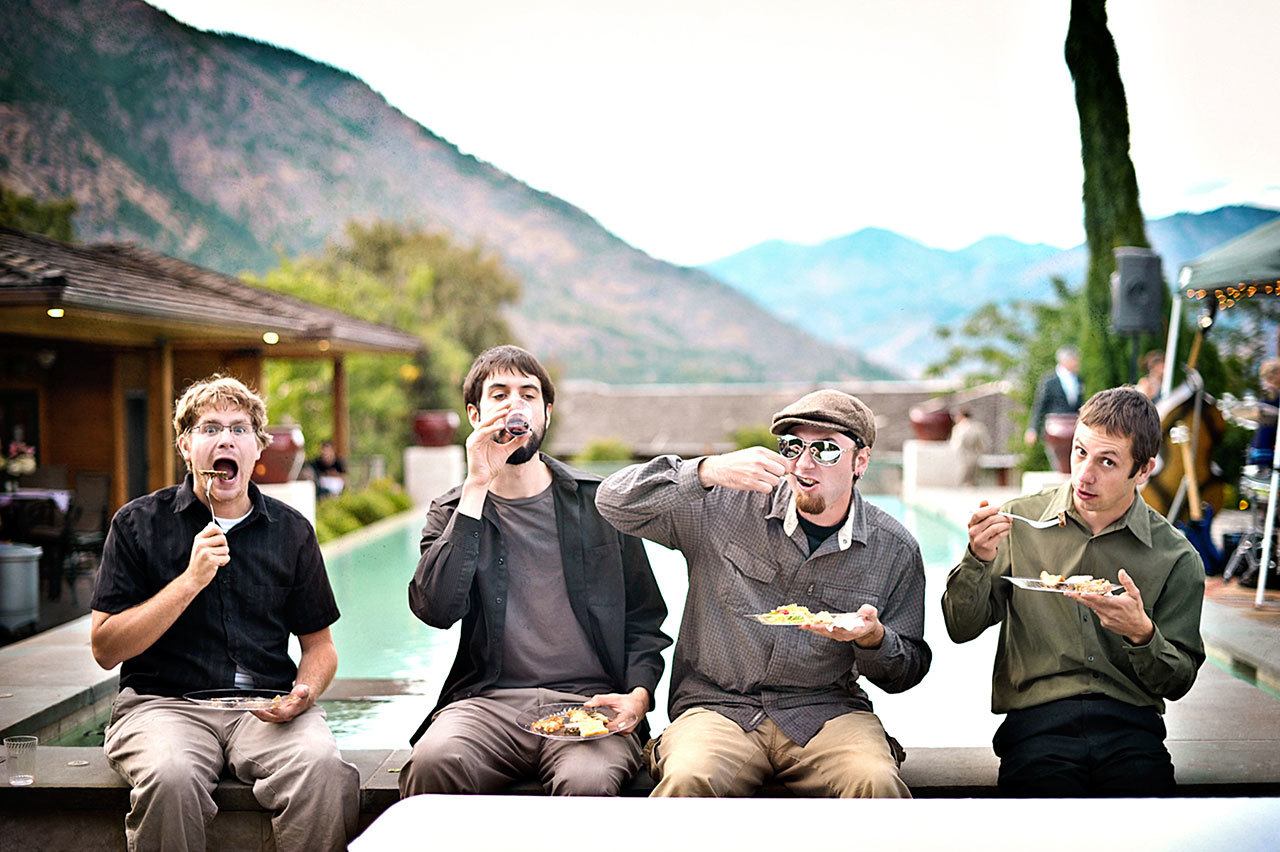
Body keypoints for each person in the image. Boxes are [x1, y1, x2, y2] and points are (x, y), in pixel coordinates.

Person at [596, 389, 930, 798]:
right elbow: (611, 501)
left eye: (825, 450)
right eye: (793, 446)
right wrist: (705, 471)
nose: (804, 463)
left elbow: (907, 671)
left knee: (874, 781)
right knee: (688, 777)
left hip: (827, 711)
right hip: (719, 707)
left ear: (860, 461)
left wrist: (873, 639)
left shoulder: (895, 548)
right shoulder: (720, 506)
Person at [89, 375, 358, 851]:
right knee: (169, 778)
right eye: (210, 428)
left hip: (265, 707)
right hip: (163, 705)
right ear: (186, 446)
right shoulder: (137, 524)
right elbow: (106, 649)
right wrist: (190, 581)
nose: (226, 439)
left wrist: (305, 690)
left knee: (324, 770)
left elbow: (320, 647)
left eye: (239, 429)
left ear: (258, 449)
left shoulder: (291, 531)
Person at [399, 345, 670, 797]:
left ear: (545, 412)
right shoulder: (452, 509)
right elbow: (436, 608)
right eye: (499, 394)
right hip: (487, 704)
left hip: (590, 704)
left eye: (527, 394)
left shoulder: (600, 504)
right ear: (474, 414)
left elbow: (644, 621)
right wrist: (476, 488)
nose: (514, 405)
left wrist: (638, 696)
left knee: (589, 782)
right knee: (433, 763)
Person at [943, 386, 1205, 797]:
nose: (1085, 474)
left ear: (1144, 469)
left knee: (1151, 826)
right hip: (1036, 727)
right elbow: (961, 627)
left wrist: (1142, 634)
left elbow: (1178, 682)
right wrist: (976, 557)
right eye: (1080, 452)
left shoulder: (1176, 557)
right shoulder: (1019, 523)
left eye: (1107, 461)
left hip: (1131, 730)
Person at [1025, 346, 1082, 446]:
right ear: (1065, 360)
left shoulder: (1079, 380)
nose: (1077, 362)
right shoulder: (1050, 381)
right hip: (1055, 431)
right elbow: (1040, 406)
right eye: (1074, 359)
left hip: (1074, 432)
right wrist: (1033, 428)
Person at [950, 407, 991, 486]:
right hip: (975, 455)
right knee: (973, 479)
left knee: (963, 477)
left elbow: (955, 445)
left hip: (963, 456)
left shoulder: (959, 428)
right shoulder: (978, 426)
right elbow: (984, 443)